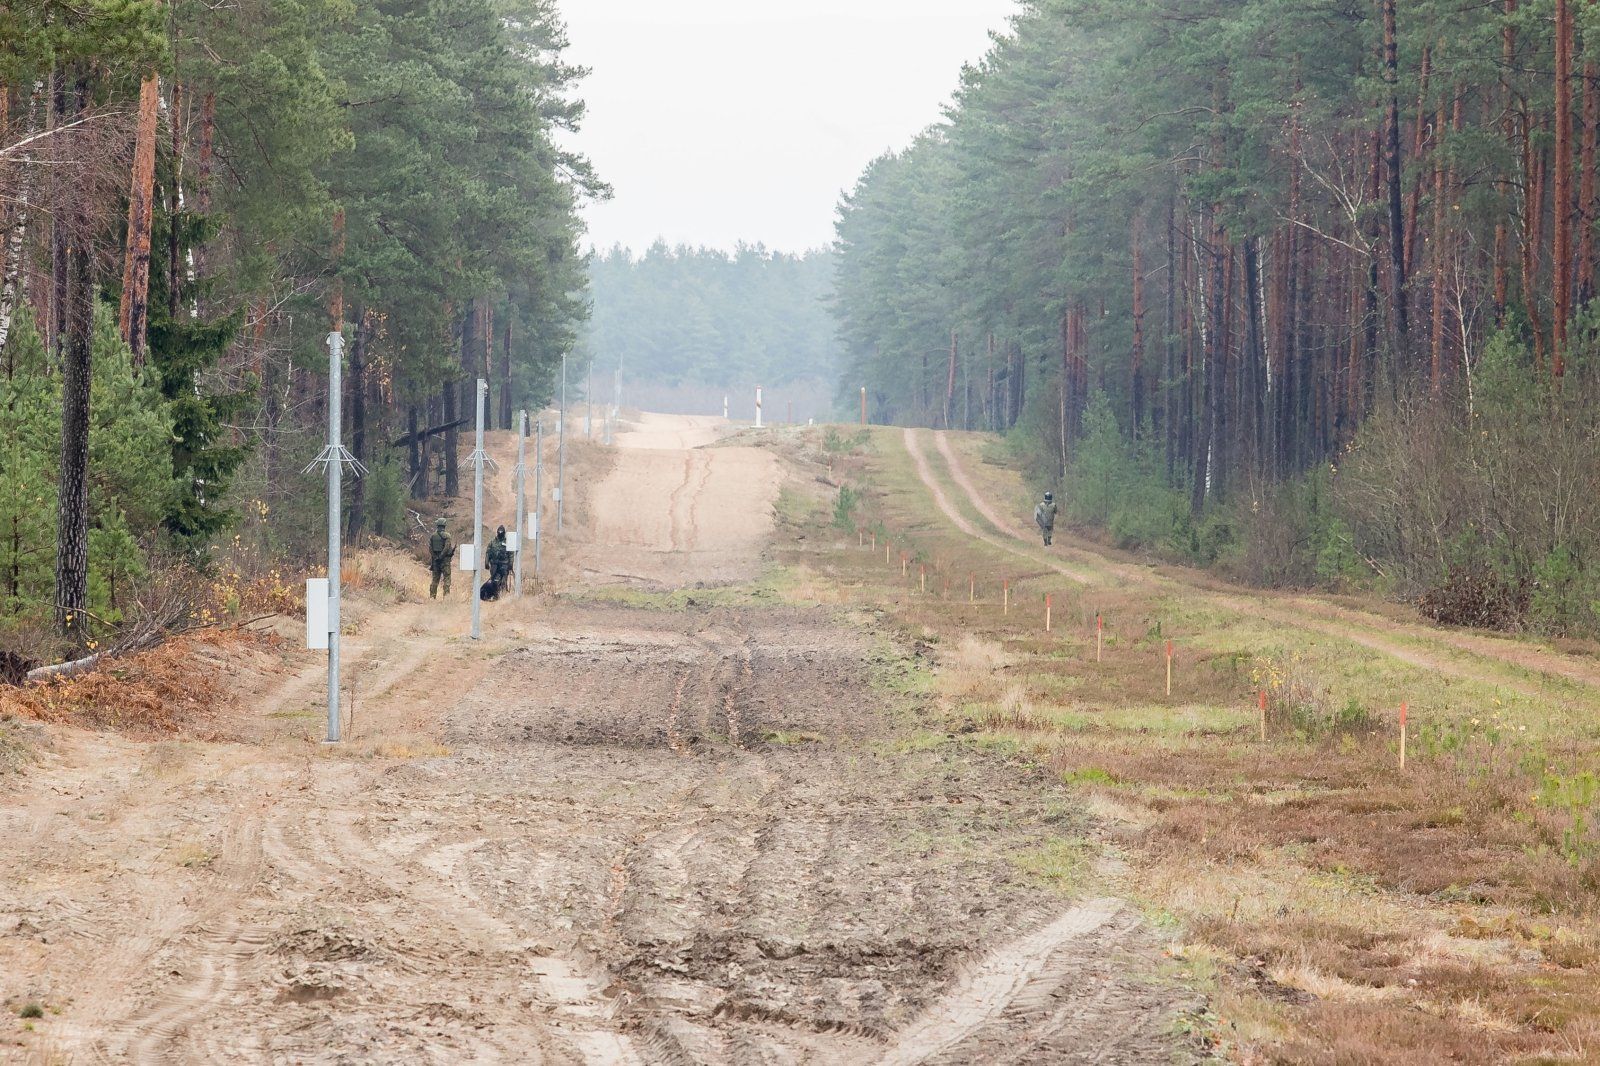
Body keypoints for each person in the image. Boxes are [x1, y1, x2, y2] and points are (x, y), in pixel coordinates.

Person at [484, 525, 512, 600]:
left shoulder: (508, 542)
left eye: (501, 532)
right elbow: (488, 553)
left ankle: (503, 595)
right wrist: (486, 563)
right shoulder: (492, 542)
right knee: (494, 580)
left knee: (503, 581)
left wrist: (511, 564)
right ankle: (495, 595)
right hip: (494, 565)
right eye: (499, 532)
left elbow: (511, 554)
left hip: (504, 564)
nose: (500, 533)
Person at [428, 518, 454, 599]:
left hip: (436, 561)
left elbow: (430, 548)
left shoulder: (433, 536)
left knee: (435, 580)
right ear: (444, 525)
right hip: (445, 561)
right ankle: (446, 597)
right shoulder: (447, 536)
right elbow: (447, 548)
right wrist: (441, 556)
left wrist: (435, 557)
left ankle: (432, 597)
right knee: (447, 579)